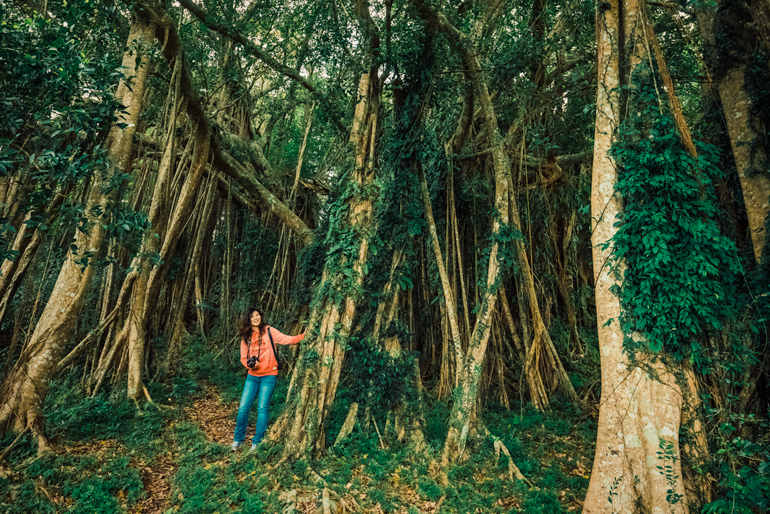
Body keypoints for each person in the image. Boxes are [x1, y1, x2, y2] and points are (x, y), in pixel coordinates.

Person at [231, 307, 304, 452]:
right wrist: (250, 364)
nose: (256, 318)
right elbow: (243, 357)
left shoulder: (269, 331)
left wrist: (302, 336)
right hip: (252, 376)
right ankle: (238, 440)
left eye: (258, 315)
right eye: (253, 316)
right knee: (243, 408)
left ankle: (257, 442)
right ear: (248, 320)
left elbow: (286, 339)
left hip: (269, 375)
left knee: (262, 408)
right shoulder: (246, 337)